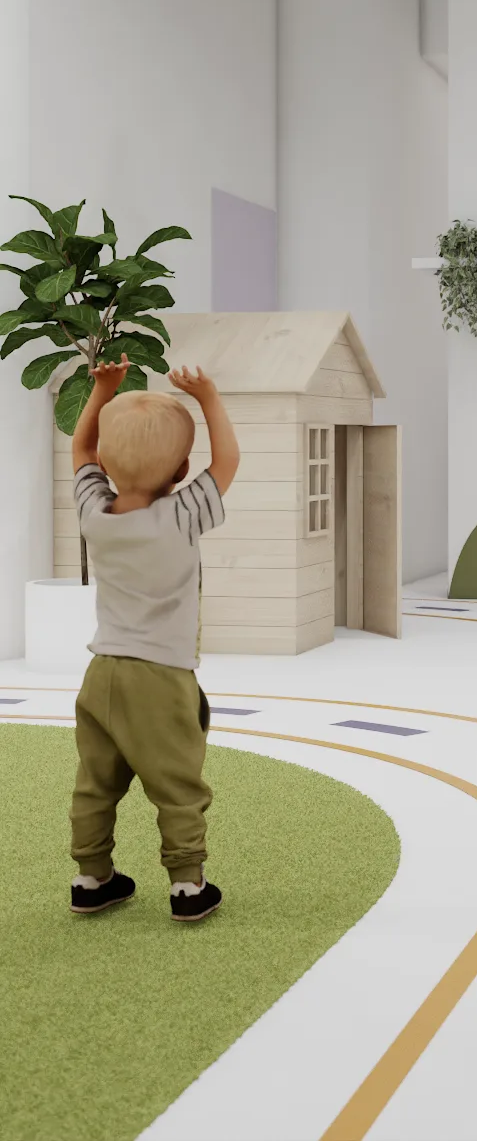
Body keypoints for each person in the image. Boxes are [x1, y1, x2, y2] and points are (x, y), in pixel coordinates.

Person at [67, 354, 239, 922]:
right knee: (177, 783)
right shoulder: (182, 515)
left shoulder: (96, 513)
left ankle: (91, 877)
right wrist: (208, 396)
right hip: (160, 676)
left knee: (95, 783)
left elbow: (80, 452)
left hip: (102, 674)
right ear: (182, 469)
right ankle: (188, 886)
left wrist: (104, 390)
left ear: (108, 467)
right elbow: (229, 463)